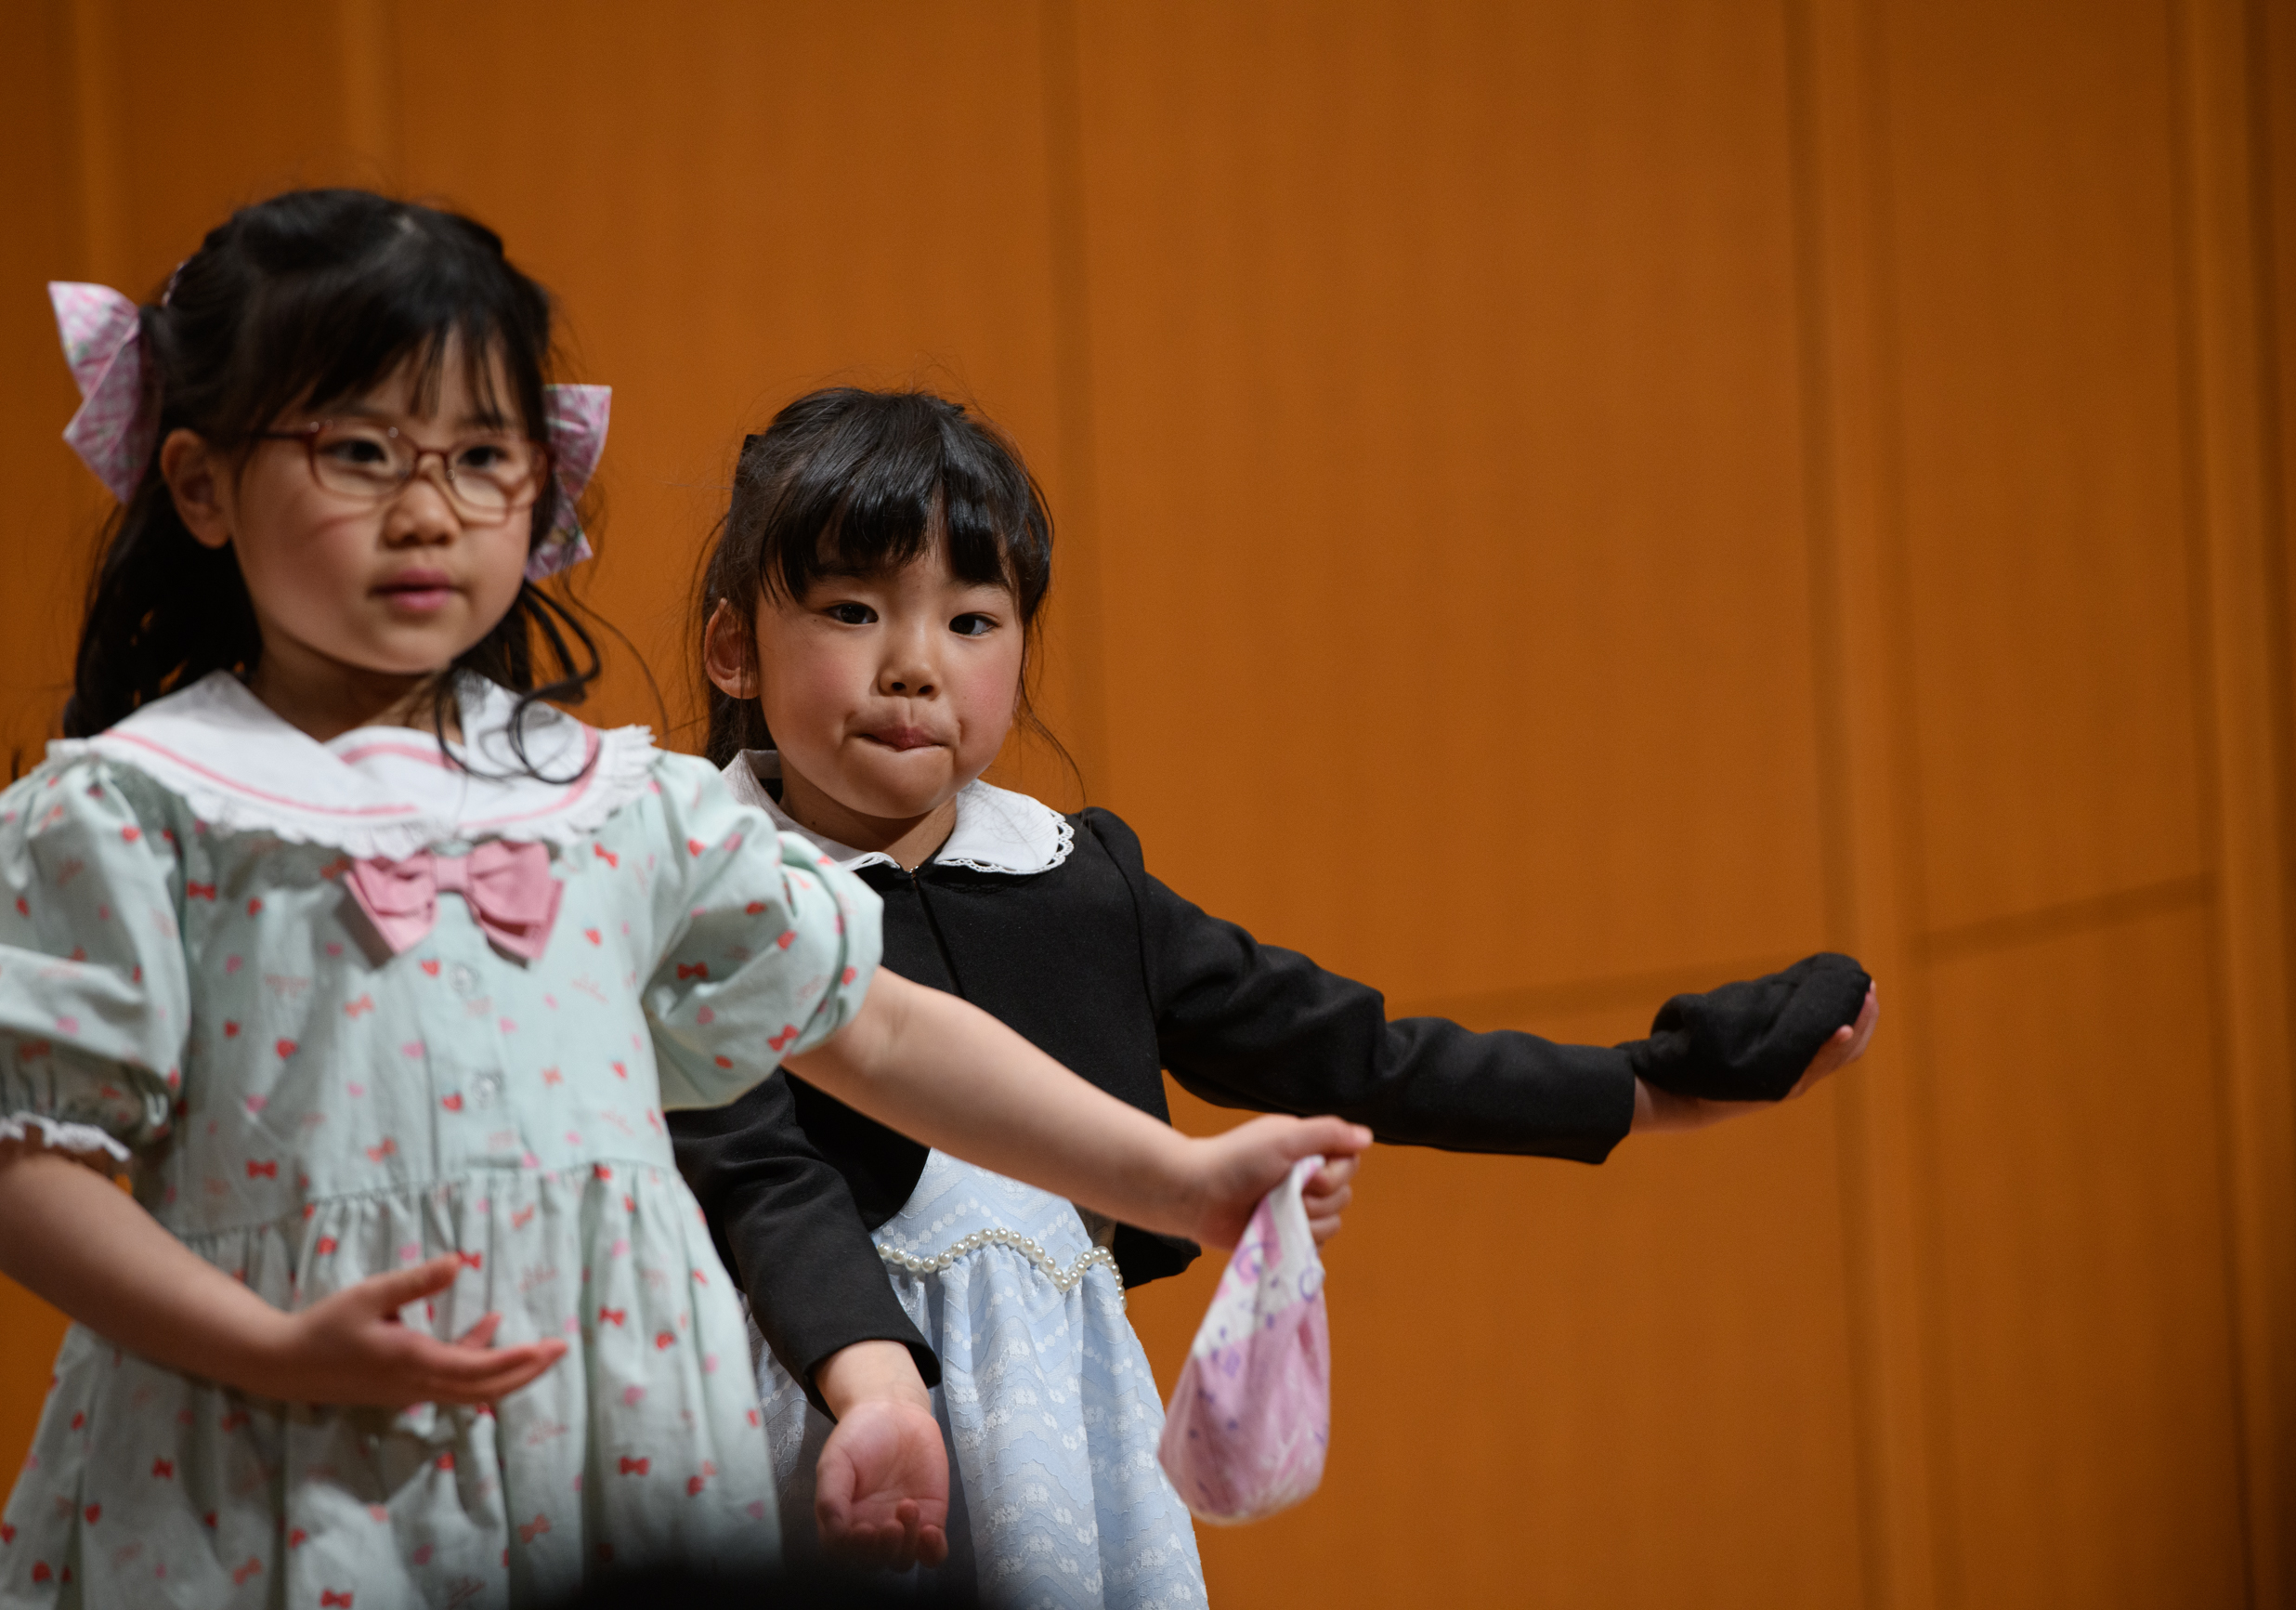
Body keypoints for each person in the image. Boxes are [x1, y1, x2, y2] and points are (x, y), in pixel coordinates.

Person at [0, 193, 1364, 1610]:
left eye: (480, 455)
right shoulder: (137, 807)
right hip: (267, 1466)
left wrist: (1179, 1178)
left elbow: (876, 1030)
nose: (426, 507)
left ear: (542, 489)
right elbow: (23, 1167)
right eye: (357, 450)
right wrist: (272, 1347)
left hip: (610, 1461)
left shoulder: (612, 799)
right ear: (202, 483)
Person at [671, 387, 1881, 1608]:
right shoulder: (693, 882)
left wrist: (1647, 1086)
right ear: (734, 646)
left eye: (973, 618)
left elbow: (1355, 1054)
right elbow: (763, 1180)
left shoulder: (1076, 878)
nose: (917, 664)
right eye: (852, 609)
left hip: (1057, 1423)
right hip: (812, 1410)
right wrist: (870, 1386)